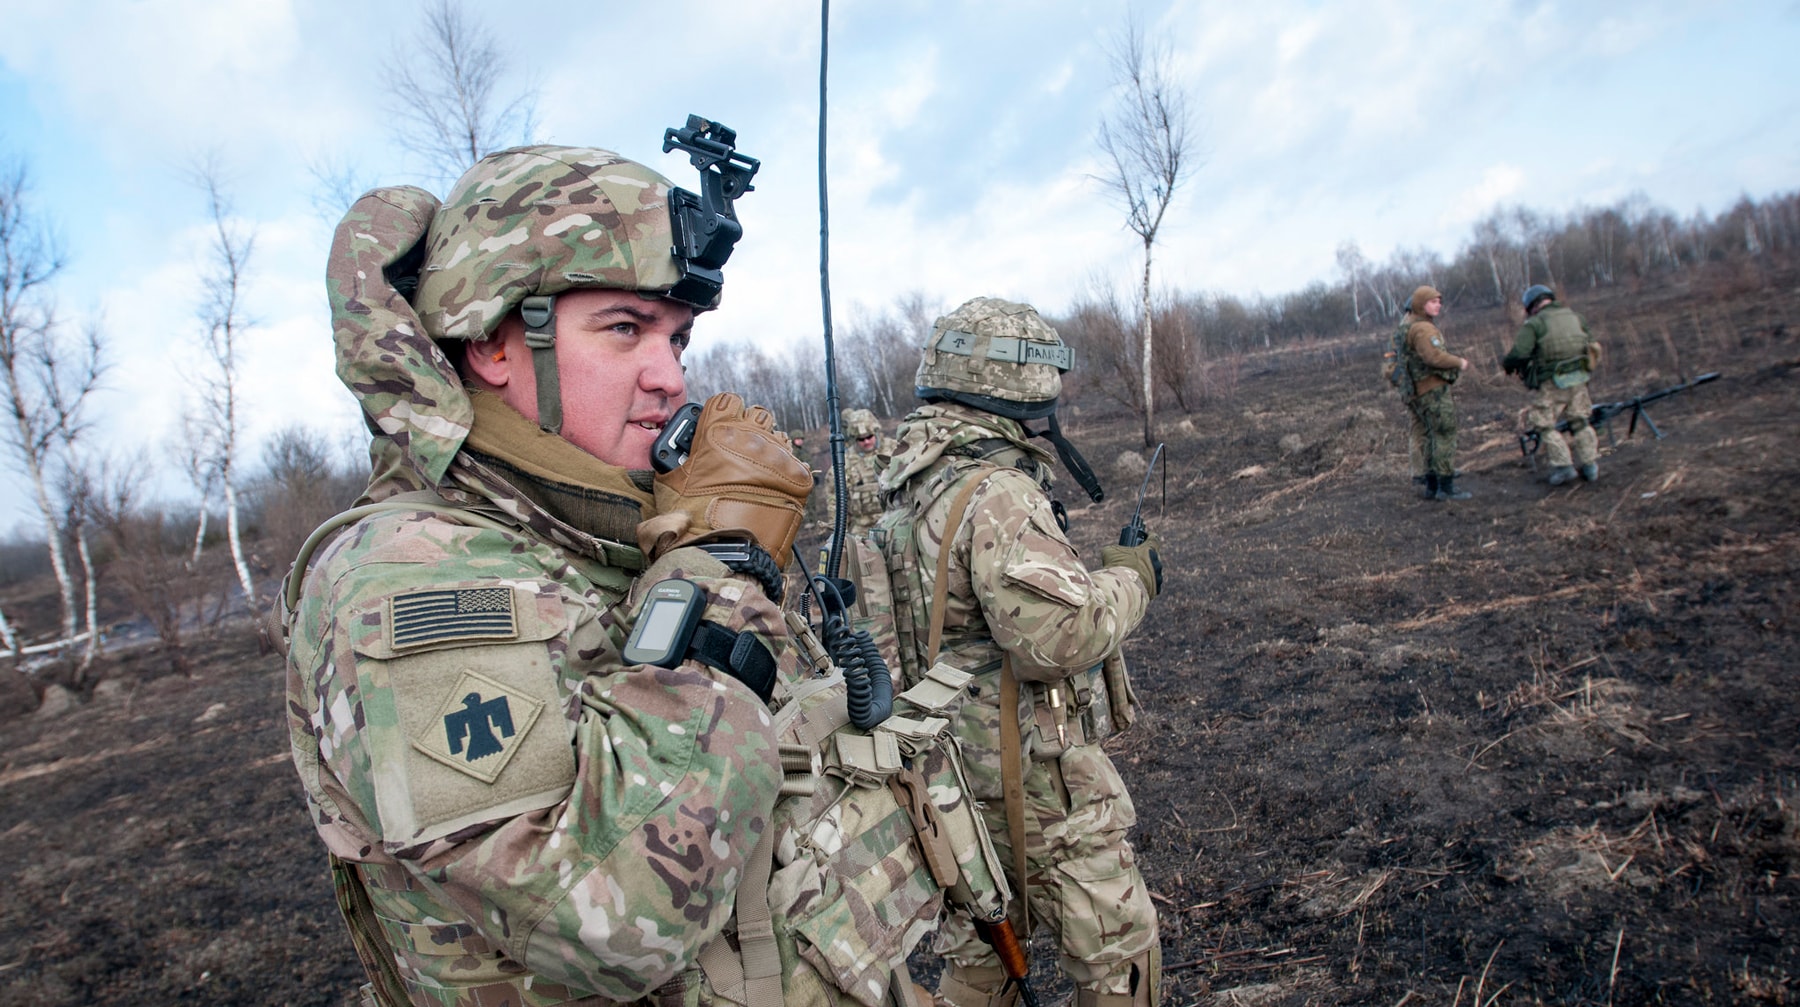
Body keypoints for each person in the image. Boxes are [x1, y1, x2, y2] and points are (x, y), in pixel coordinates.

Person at [278, 143, 973, 1007]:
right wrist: (719, 581)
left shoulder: (603, 523)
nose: (670, 377)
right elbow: (599, 917)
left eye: (678, 337)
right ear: (496, 342)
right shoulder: (409, 581)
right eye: (623, 329)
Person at [877, 297, 1163, 1007]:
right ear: (1018, 383)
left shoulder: (908, 479)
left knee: (979, 951)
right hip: (1037, 785)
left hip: (948, 778)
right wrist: (1132, 577)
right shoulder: (997, 491)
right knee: (1118, 947)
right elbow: (1060, 637)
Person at [1504, 284, 1600, 485]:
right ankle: (1590, 466)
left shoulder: (1535, 324)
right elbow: (1592, 346)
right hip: (1579, 379)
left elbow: (1519, 353)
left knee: (1543, 424)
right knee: (1580, 421)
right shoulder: (1576, 317)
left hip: (1553, 382)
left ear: (1531, 306)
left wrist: (1509, 365)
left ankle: (1564, 467)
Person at [1401, 285, 1472, 501]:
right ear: (1421, 305)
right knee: (1443, 434)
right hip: (1431, 389)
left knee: (1430, 434)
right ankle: (1446, 487)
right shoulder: (1423, 329)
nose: (1438, 305)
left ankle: (1432, 485)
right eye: (1433, 302)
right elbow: (1434, 357)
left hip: (1418, 390)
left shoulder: (1409, 327)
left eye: (1439, 301)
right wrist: (1459, 362)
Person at [825, 408, 889, 537]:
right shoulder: (844, 463)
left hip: (896, 523)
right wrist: (838, 536)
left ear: (876, 432)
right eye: (861, 439)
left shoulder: (895, 450)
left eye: (869, 437)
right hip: (862, 529)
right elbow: (835, 503)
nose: (866, 442)